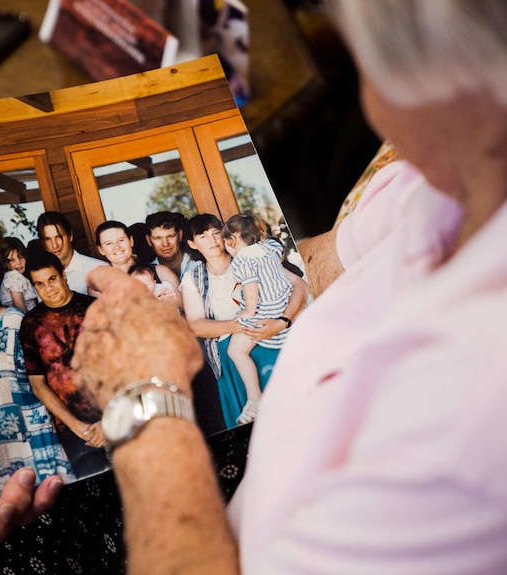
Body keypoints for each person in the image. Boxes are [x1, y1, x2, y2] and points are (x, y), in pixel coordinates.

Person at [74, 0, 507, 572]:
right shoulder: (440, 182)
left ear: (448, 84)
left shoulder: (465, 428)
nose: (371, 105)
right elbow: (322, 262)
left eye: (364, 67)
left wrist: (142, 389)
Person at [0, 260, 74, 499]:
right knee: (14, 500)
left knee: (52, 489)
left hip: (30, 418)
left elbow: (40, 368)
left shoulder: (15, 319)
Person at [182, 213, 307, 430]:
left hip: (272, 341)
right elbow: (196, 325)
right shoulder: (193, 277)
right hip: (232, 356)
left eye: (215, 233)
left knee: (295, 416)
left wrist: (282, 321)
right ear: (192, 244)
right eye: (203, 236)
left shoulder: (250, 256)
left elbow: (300, 287)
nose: (212, 240)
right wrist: (245, 325)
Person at [19, 250, 107, 478]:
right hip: (76, 434)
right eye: (39, 284)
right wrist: (77, 427)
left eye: (52, 279)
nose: (48, 289)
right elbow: (38, 385)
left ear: (63, 275)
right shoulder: (31, 324)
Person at [221, 214, 293, 424]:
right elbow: (276, 252)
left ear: (231, 242)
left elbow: (251, 291)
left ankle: (255, 399)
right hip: (283, 304)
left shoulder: (242, 260)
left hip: (264, 311)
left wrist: (247, 313)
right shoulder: (270, 247)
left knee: (235, 350)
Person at [95, 220, 181, 308]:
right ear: (101, 250)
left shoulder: (160, 272)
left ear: (131, 241)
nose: (117, 247)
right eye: (108, 243)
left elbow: (184, 309)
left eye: (121, 240)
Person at [36, 210, 107, 296]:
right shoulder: (40, 278)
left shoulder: (99, 269)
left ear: (70, 236)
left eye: (59, 237)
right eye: (48, 239)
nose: (54, 245)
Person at [144, 211, 194, 280]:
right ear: (149, 240)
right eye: (158, 238)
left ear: (180, 235)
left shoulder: (199, 262)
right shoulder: (146, 274)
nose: (165, 244)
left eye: (170, 236)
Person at [0, 237, 38, 312]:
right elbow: (18, 303)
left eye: (21, 257)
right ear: (4, 262)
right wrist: (29, 321)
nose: (18, 262)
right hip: (25, 317)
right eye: (12, 260)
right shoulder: (13, 276)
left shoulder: (18, 276)